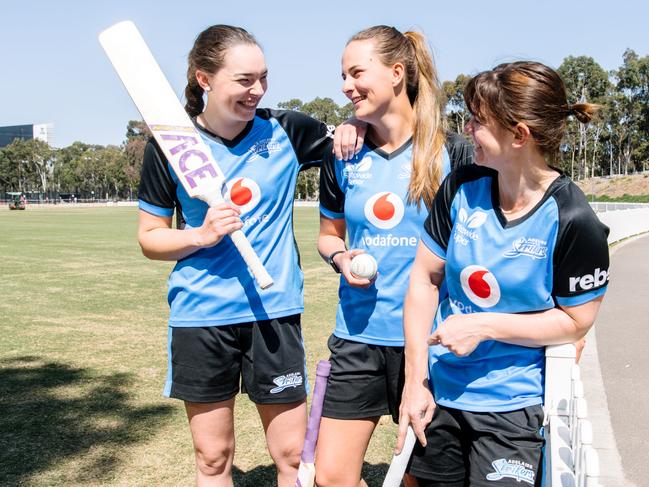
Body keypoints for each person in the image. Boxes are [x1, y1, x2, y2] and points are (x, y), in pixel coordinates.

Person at [137, 25, 359, 486]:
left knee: (294, 457)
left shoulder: (288, 130)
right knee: (214, 458)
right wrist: (200, 235)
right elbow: (150, 238)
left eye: (263, 77)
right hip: (201, 317)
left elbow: (352, 140)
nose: (256, 90)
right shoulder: (170, 147)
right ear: (204, 79)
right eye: (243, 80)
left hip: (273, 315)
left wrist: (353, 127)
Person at [398, 61, 610, 486]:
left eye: (479, 121)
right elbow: (424, 279)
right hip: (440, 394)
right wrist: (415, 379)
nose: (469, 128)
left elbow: (575, 322)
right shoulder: (460, 187)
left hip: (513, 406)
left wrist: (484, 325)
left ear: (519, 135)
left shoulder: (573, 218)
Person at [315, 25, 472, 487]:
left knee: (421, 479)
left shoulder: (455, 155)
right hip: (358, 337)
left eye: (357, 72)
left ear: (397, 73)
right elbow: (328, 235)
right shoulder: (343, 154)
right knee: (331, 477)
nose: (346, 85)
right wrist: (341, 259)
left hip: (430, 344)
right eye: (343, 75)